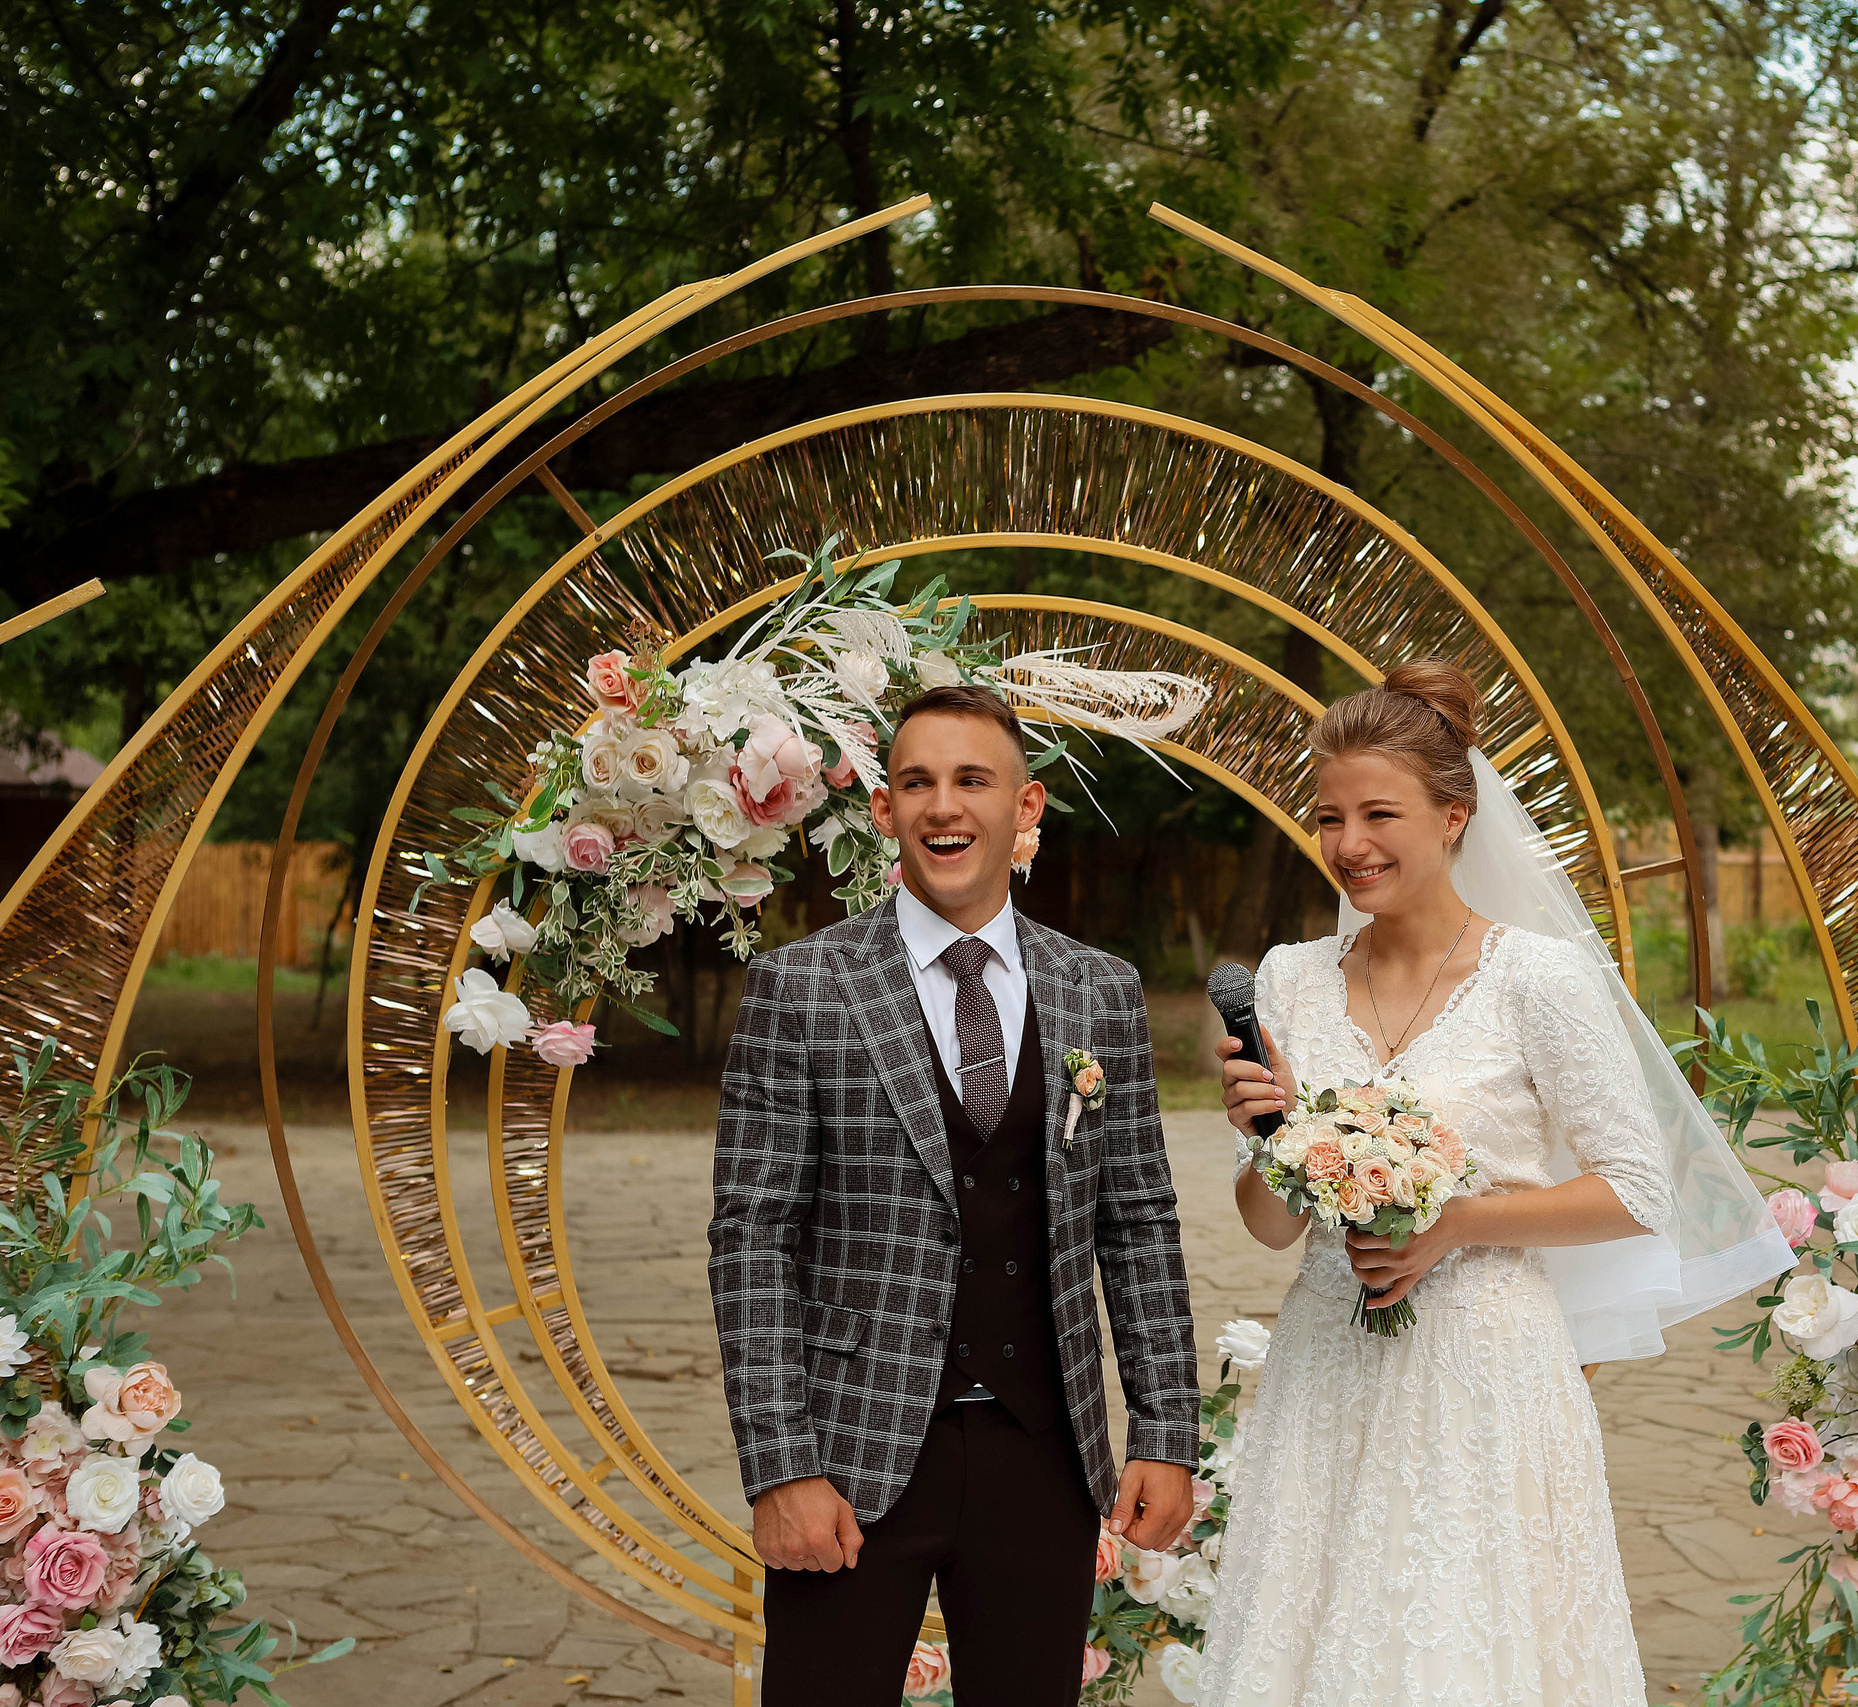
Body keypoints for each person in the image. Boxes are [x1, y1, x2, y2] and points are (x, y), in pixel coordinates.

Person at [1200, 660, 1791, 1706]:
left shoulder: (1540, 977)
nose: (1348, 845)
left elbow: (1636, 1188)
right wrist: (1269, 1132)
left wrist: (1455, 1223)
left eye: (1378, 813)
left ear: (1455, 815)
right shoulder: (1288, 979)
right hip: (1325, 1368)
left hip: (1482, 1375)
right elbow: (1267, 1226)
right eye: (1328, 817)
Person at [709, 683, 1200, 1705]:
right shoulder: (803, 987)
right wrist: (780, 1465)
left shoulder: (1099, 988)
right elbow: (751, 1240)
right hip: (852, 1454)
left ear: (1026, 808)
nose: (945, 806)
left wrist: (1164, 1429)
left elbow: (1138, 1222)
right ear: (883, 811)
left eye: (973, 780)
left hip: (1043, 1452)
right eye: (917, 783)